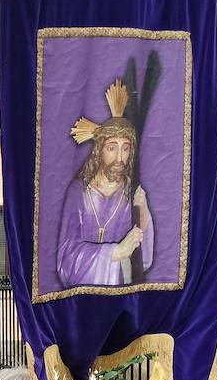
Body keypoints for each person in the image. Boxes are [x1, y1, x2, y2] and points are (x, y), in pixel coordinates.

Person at [57, 78, 155, 288]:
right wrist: (115, 253)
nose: (120, 157)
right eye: (112, 147)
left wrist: (144, 212)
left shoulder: (131, 193)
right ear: (98, 151)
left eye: (126, 148)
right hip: (87, 298)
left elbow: (143, 260)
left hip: (122, 291)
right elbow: (65, 259)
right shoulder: (78, 192)